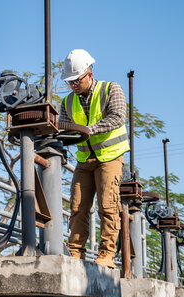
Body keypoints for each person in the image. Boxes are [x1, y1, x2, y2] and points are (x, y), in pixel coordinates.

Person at [59, 49, 129, 268]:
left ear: (89, 73)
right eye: (69, 82)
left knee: (107, 206)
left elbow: (117, 117)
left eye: (76, 80)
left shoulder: (111, 89)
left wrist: (89, 129)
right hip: (84, 160)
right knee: (77, 206)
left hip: (110, 157)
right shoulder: (67, 102)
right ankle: (75, 252)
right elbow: (63, 128)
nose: (73, 85)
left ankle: (107, 254)